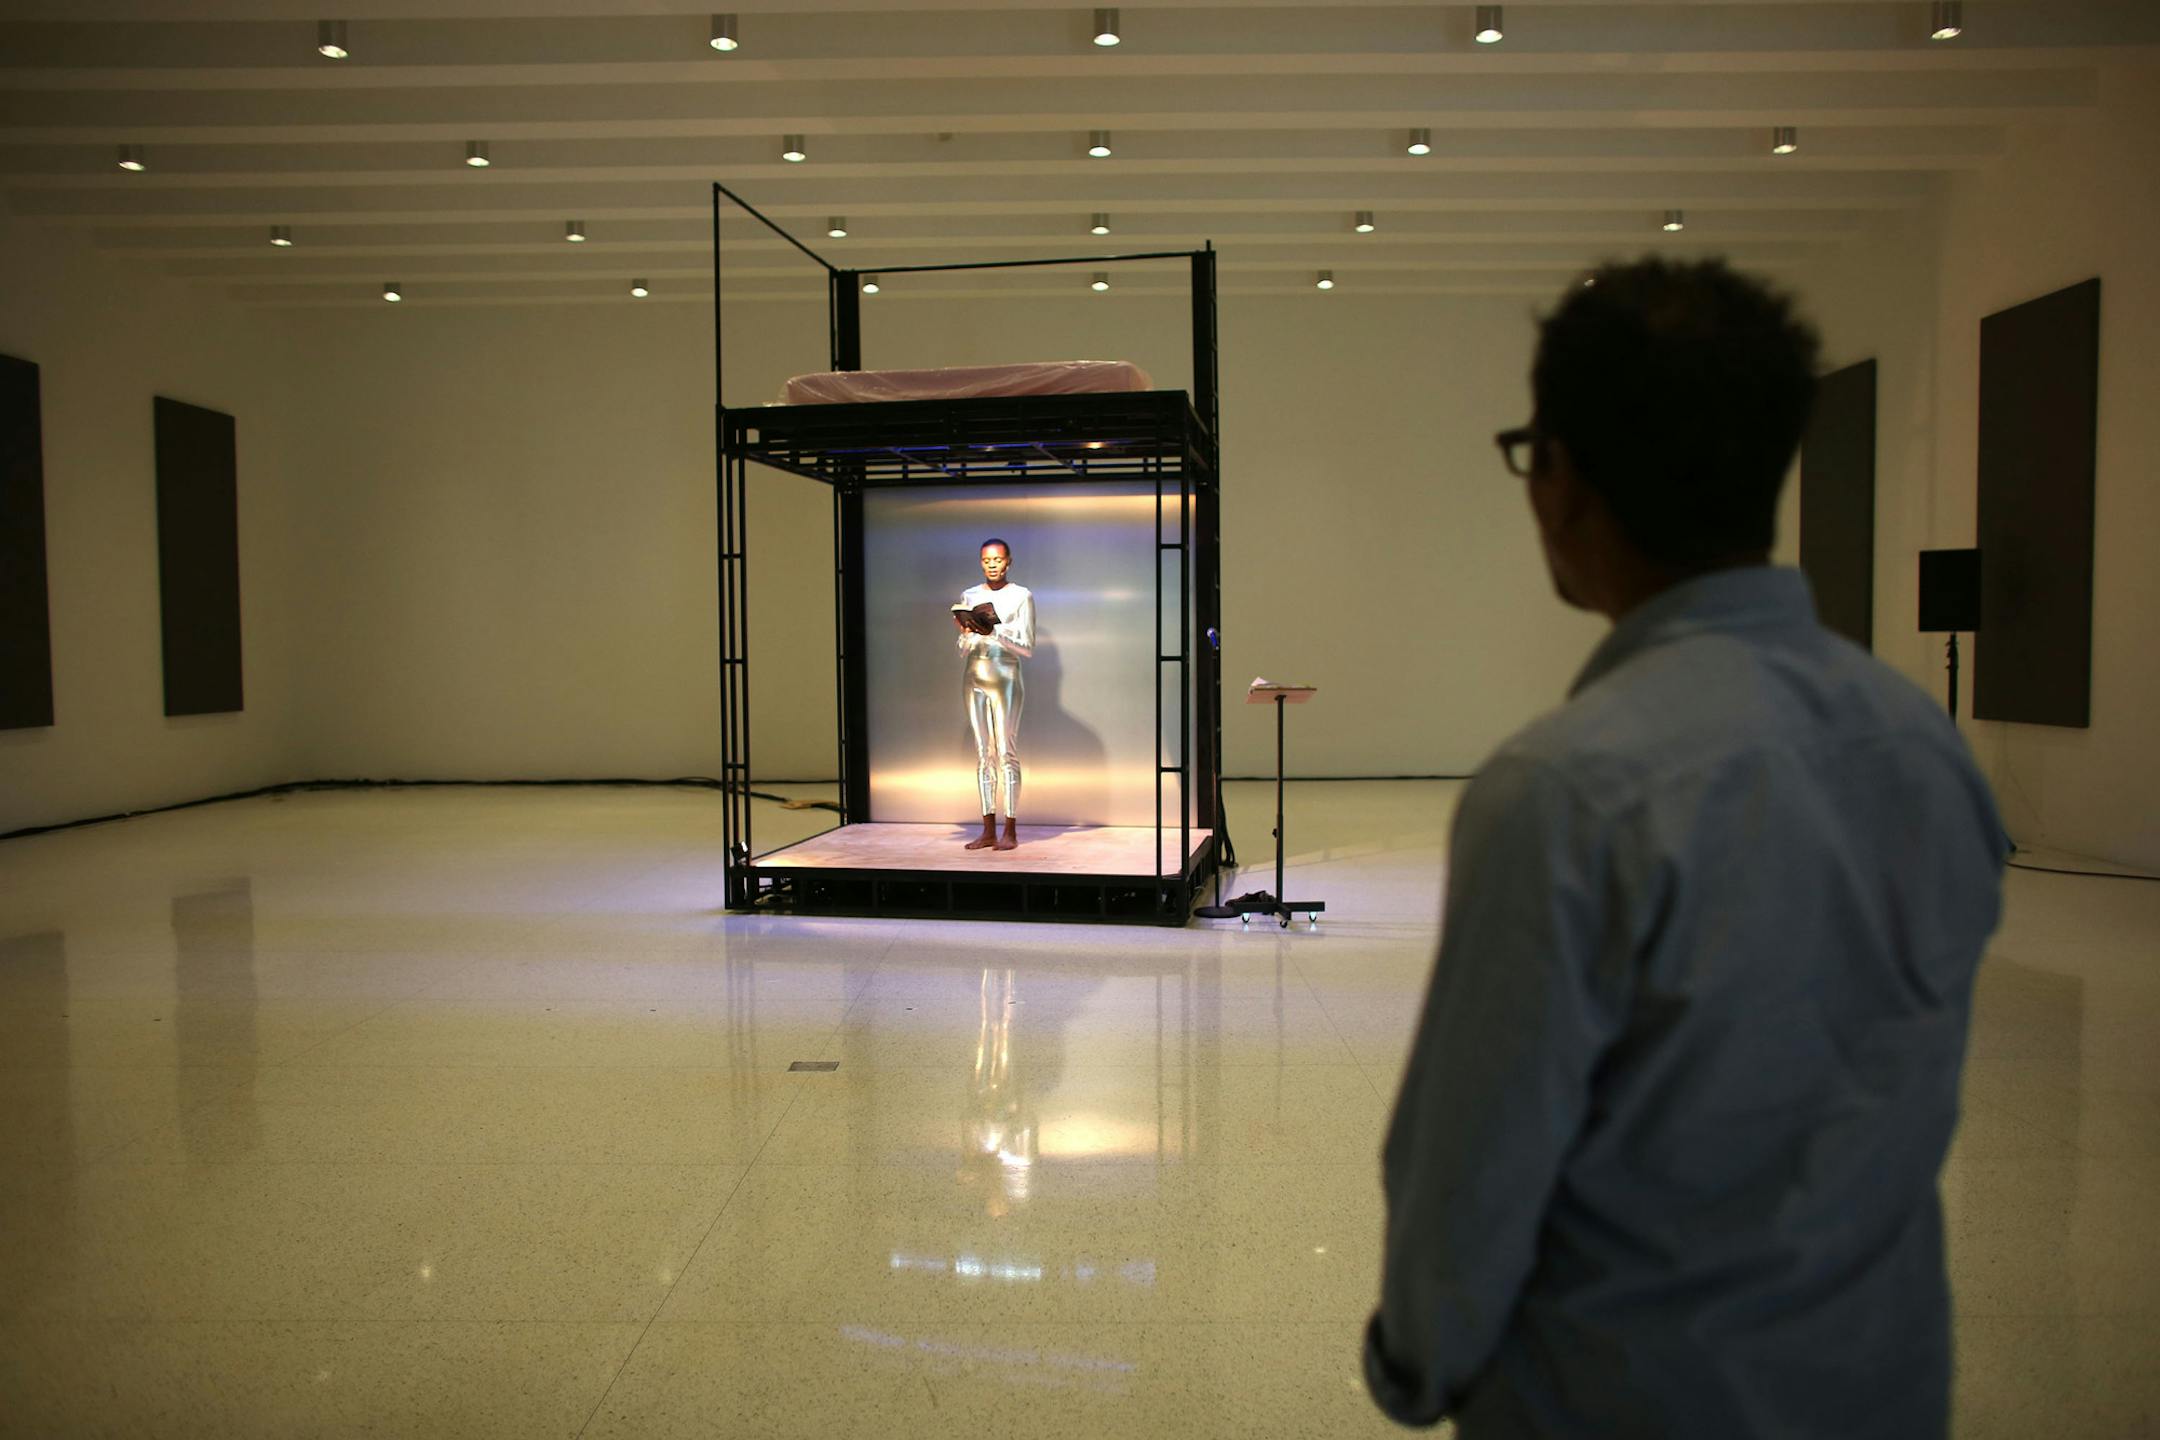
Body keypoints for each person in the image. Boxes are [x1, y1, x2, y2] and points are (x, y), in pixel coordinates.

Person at [1365, 258, 2005, 1439]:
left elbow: (1470, 1172)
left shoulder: (1561, 793)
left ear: (1560, 483)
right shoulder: (1928, 751)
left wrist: (1418, 1361)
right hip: (1882, 1390)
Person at [954, 537, 1034, 851]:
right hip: (974, 674)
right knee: (983, 753)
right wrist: (966, 634)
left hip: (1006, 674)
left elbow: (1027, 647)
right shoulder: (970, 595)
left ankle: (1010, 830)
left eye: (998, 559)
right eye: (987, 560)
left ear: (1008, 561)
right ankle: (987, 828)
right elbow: (962, 650)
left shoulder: (1021, 596)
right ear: (980, 562)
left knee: (1006, 753)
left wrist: (994, 630)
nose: (992, 564)